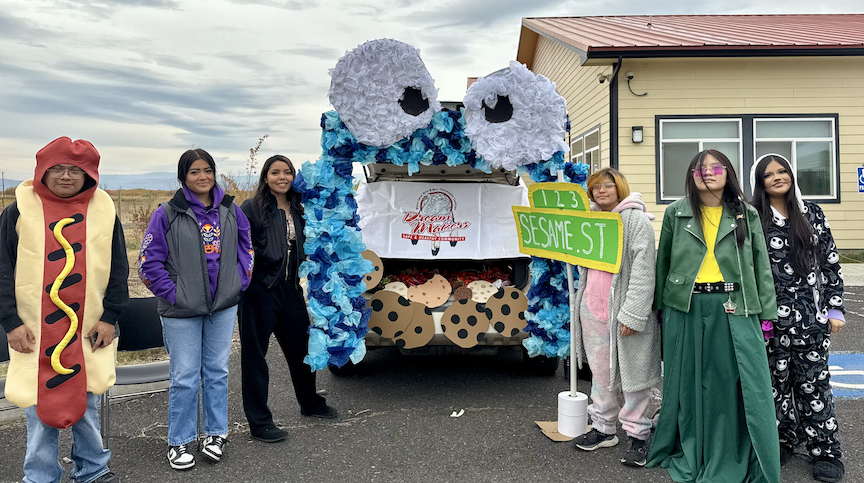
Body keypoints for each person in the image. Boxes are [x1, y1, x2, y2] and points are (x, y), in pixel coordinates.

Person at [646, 149, 781, 483]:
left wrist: (766, 313)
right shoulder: (676, 212)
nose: (707, 172)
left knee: (734, 383)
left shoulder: (744, 213)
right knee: (686, 381)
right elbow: (662, 262)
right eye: (699, 168)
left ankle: (734, 449)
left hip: (734, 305)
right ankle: (689, 445)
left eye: (715, 167)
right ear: (691, 175)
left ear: (728, 173)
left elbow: (761, 265)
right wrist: (660, 308)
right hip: (687, 307)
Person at [0, 137, 129, 483]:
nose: (67, 176)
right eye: (58, 168)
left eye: (76, 170)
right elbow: (1, 268)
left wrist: (110, 317)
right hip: (35, 331)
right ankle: (40, 475)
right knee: (37, 407)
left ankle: (92, 468)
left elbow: (119, 267)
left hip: (88, 329)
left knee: (86, 403)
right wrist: (10, 321)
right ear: (43, 171)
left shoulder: (104, 211)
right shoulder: (18, 211)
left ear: (89, 174)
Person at [138, 148, 253, 470]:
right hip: (181, 311)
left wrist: (239, 282)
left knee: (217, 372)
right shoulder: (167, 213)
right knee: (185, 376)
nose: (202, 177)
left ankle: (215, 433)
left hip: (223, 306)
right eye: (194, 172)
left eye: (207, 170)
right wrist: (174, 294)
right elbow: (148, 263)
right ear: (183, 177)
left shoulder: (231, 210)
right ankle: (180, 441)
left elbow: (247, 248)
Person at [751, 153, 845, 482]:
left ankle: (826, 450)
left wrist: (834, 308)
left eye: (782, 171)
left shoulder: (812, 214)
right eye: (768, 174)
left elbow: (830, 264)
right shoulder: (752, 218)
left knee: (814, 387)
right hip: (770, 324)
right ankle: (782, 440)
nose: (777, 177)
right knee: (774, 388)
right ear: (759, 183)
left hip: (812, 322)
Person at [239, 155, 337, 443]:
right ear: (265, 177)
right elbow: (241, 248)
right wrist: (252, 277)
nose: (282, 177)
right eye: (275, 172)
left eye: (287, 172)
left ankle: (311, 404)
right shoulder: (252, 208)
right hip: (259, 293)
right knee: (255, 358)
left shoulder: (299, 207)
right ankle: (259, 422)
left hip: (291, 289)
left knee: (302, 351)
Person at [570, 168, 661, 467]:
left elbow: (645, 270)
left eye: (607, 186)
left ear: (619, 187)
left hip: (624, 311)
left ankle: (638, 434)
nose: (601, 191)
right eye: (595, 187)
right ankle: (603, 428)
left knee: (635, 376)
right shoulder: (592, 221)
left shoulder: (636, 221)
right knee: (601, 374)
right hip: (593, 310)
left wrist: (634, 314)